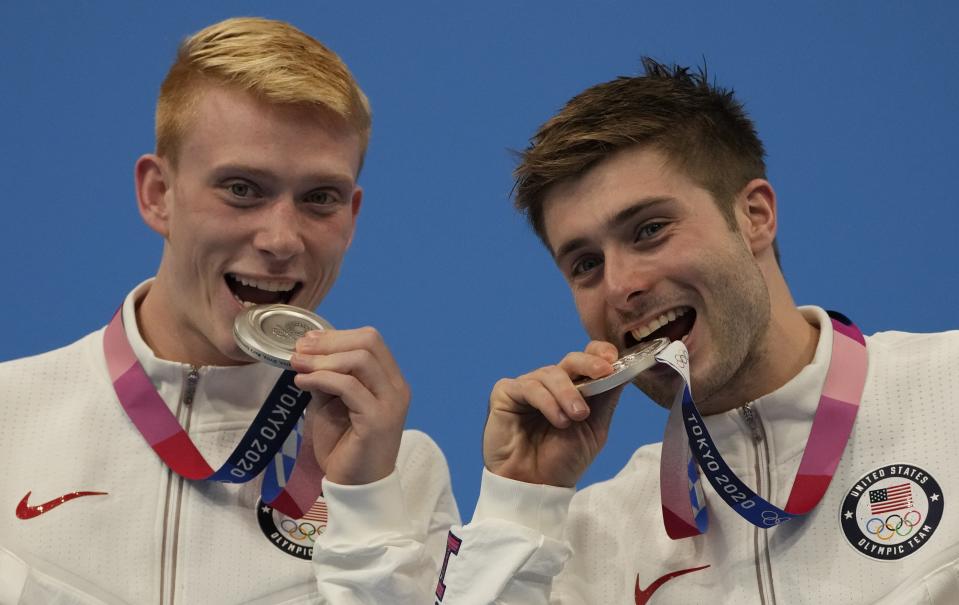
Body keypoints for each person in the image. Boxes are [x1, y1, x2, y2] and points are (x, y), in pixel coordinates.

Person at [434, 59, 959, 604]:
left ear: (754, 216)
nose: (620, 286)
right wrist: (522, 505)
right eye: (586, 264)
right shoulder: (590, 542)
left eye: (650, 230)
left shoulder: (948, 395)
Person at [0, 17, 458, 604]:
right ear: (157, 195)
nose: (281, 239)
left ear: (353, 215)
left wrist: (365, 505)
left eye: (320, 199)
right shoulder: (7, 419)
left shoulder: (400, 471)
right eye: (242, 189)